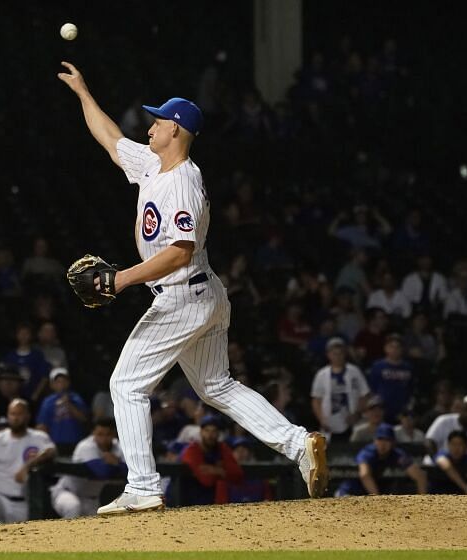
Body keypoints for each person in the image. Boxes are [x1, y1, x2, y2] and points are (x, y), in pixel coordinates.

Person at [58, 60, 328, 515]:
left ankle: (143, 486)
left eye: (158, 121)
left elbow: (180, 251)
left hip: (182, 293)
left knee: (125, 385)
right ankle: (300, 444)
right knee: (216, 385)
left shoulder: (182, 181)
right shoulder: (152, 165)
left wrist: (121, 279)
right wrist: (83, 93)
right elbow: (108, 139)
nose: (149, 128)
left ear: (177, 131)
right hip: (203, 294)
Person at [0, 399, 55, 523]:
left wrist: (28, 465)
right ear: (8, 416)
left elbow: (52, 451)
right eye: (12, 414)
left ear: (28, 416)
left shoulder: (38, 437)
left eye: (19, 414)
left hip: (26, 502)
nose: (16, 418)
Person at [50, 417, 126, 519]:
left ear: (114, 434)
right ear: (93, 433)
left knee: (96, 528)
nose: (104, 438)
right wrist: (118, 465)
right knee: (73, 506)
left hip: (92, 499)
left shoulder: (118, 446)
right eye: (100, 434)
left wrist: (116, 463)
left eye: (108, 434)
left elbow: (130, 471)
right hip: (67, 492)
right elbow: (101, 472)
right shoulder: (86, 446)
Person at [335, 424, 427, 497]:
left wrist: (422, 500)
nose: (382, 444)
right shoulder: (368, 452)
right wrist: (378, 499)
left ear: (393, 442)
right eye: (380, 439)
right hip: (349, 492)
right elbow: (364, 474)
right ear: (375, 441)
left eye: (387, 440)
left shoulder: (397, 454)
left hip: (371, 497)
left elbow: (419, 476)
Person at [310, 337, 370, 443]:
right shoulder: (322, 374)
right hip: (329, 423)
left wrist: (357, 413)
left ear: (345, 354)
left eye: (340, 353)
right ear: (328, 355)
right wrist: (321, 420)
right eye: (334, 353)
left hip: (352, 421)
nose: (337, 356)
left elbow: (364, 394)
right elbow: (316, 400)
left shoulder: (354, 371)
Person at [179, 415, 243, 505]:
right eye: (207, 430)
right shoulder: (192, 450)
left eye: (214, 431)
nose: (210, 435)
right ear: (201, 432)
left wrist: (215, 470)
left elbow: (237, 474)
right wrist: (221, 471)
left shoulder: (222, 448)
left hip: (212, 502)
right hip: (186, 502)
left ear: (218, 434)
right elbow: (206, 480)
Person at [35, 367, 89, 447]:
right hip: (54, 443)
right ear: (51, 385)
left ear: (68, 383)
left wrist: (68, 404)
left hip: (75, 442)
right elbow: (42, 425)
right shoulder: (47, 401)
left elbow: (84, 419)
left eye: (64, 381)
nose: (61, 384)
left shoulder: (76, 398)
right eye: (57, 382)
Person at [368, 334, 415, 423]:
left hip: (401, 412)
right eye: (391, 347)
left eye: (397, 347)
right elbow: (372, 388)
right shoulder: (378, 366)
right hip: (382, 411)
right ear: (385, 348)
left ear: (402, 349)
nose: (394, 350)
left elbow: (410, 388)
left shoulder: (408, 367)